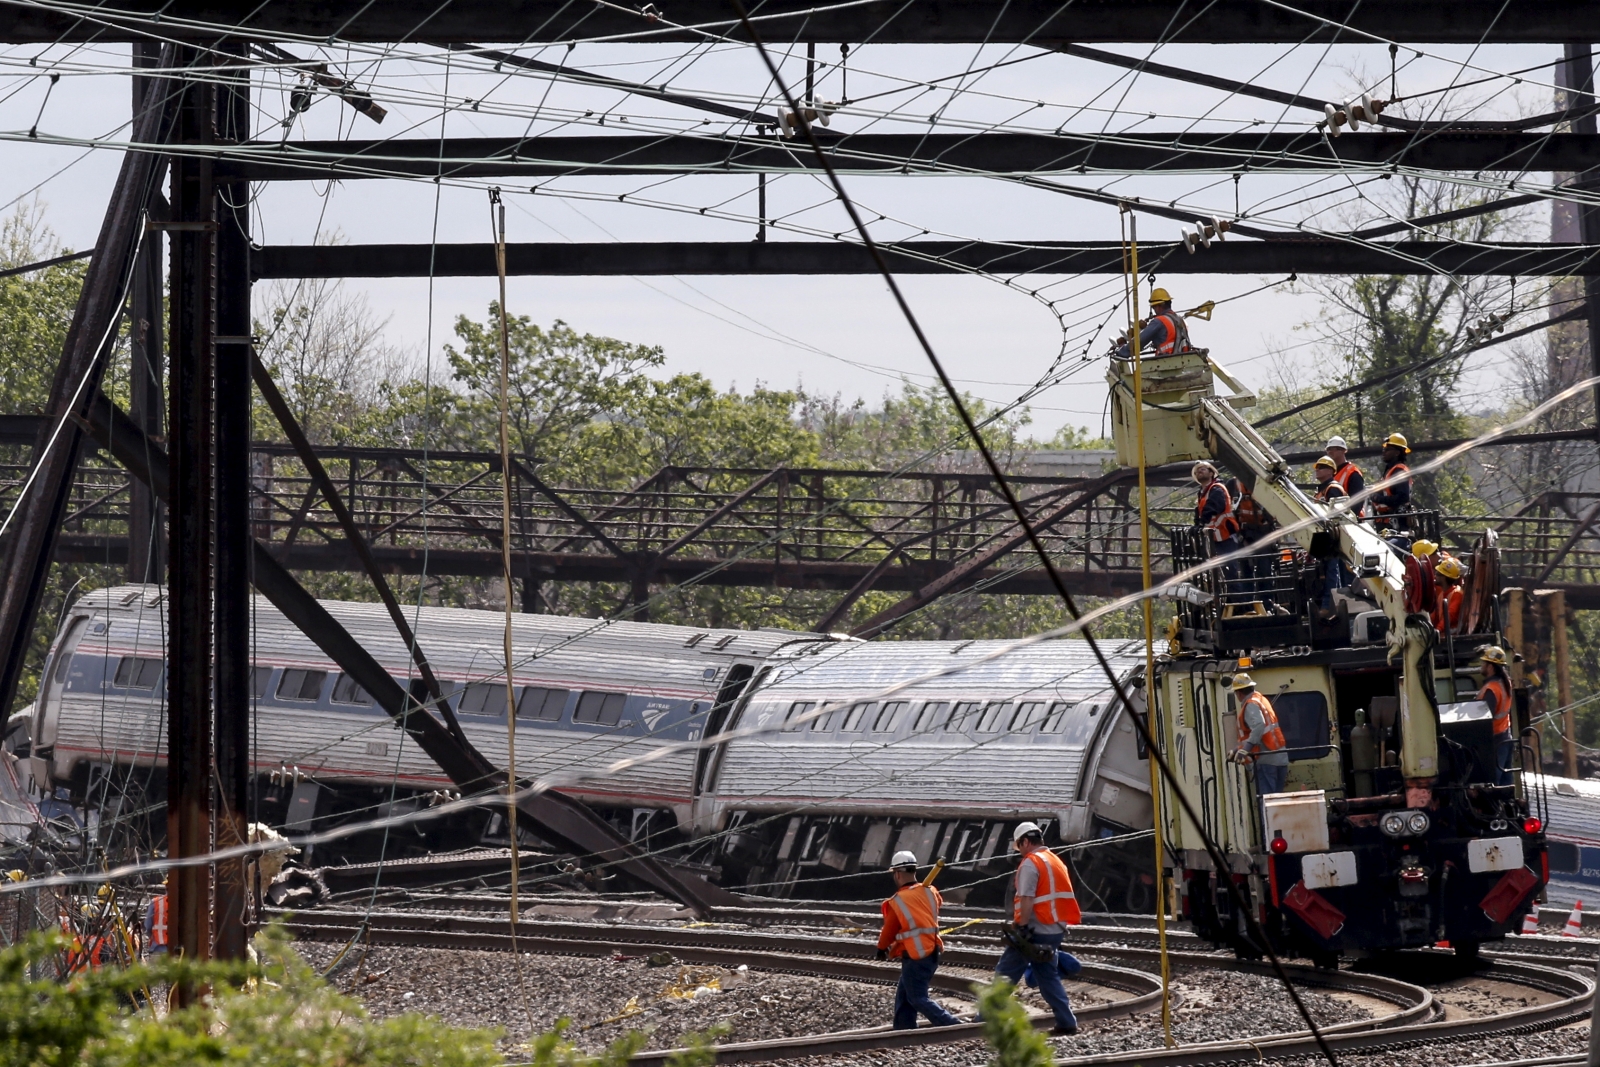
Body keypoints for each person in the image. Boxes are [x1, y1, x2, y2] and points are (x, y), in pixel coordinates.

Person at [993, 822, 1081, 1035]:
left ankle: (983, 1022)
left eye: (1020, 846)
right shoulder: (1055, 860)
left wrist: (1021, 927)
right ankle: (1067, 1022)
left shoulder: (1031, 863)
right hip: (1054, 929)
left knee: (1005, 974)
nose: (1020, 851)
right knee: (1047, 976)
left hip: (1033, 930)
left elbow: (1026, 898)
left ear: (1025, 841)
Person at [876, 850, 959, 1030]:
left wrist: (881, 948)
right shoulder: (930, 891)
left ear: (897, 874)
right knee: (904, 996)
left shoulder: (898, 900)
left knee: (917, 998)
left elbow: (889, 929)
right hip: (932, 950)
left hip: (916, 954)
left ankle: (954, 1026)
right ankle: (903, 1031)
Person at [1229, 673, 1289, 822]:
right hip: (1280, 758)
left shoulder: (1250, 705)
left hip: (1265, 761)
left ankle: (1270, 839)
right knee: (1276, 801)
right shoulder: (1261, 700)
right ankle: (1279, 833)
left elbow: (1259, 726)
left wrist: (1245, 749)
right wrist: (1237, 749)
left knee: (1267, 804)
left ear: (1239, 692)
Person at [1230, 478, 1275, 605]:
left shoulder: (1264, 482)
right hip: (1243, 533)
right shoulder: (1234, 484)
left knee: (1264, 570)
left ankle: (1266, 605)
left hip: (1263, 532)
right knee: (1245, 571)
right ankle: (1248, 606)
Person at [1114, 287, 1191, 358]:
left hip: (1165, 363)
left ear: (1159, 306)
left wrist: (1121, 352)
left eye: (1153, 307)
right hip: (1183, 361)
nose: (1154, 309)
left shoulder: (1159, 321)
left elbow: (1139, 342)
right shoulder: (1180, 320)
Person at [1312, 457, 1348, 609]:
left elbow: (1335, 516)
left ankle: (1329, 606)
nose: (1317, 470)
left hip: (1333, 538)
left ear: (1330, 471)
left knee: (1332, 572)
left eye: (1321, 467)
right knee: (1330, 572)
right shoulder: (1322, 490)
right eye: (1317, 467)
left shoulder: (1332, 489)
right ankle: (1334, 604)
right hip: (1326, 538)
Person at [1478, 646, 1515, 785]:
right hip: (1506, 736)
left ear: (1491, 667)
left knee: (1493, 782)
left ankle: (1495, 806)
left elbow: (1485, 718)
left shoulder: (1491, 689)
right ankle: (1507, 804)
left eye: (1484, 663)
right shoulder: (1505, 684)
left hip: (1495, 740)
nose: (1481, 666)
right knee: (1506, 781)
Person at [1193, 462, 1239, 572]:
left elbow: (1213, 506)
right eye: (1197, 471)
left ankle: (1237, 589)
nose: (1199, 471)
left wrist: (1201, 523)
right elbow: (1199, 512)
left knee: (1230, 570)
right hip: (1215, 537)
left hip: (1226, 536)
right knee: (1220, 571)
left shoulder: (1217, 489)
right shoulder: (1202, 493)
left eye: (1203, 469)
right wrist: (1197, 524)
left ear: (1211, 473)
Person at [1369, 433, 1413, 530]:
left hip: (1397, 523)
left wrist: (1379, 498)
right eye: (1383, 449)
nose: (1384, 452)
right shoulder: (1390, 470)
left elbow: (1402, 497)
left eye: (1387, 449)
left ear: (1397, 453)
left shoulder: (1399, 470)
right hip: (1386, 521)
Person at [1325, 436, 1365, 517]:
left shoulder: (1352, 473)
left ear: (1344, 450)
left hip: (1350, 522)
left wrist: (1348, 517)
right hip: (1334, 520)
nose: (1330, 452)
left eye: (1335, 449)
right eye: (1329, 449)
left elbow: (1358, 500)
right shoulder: (1329, 473)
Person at [1432, 555, 1465, 635]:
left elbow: (1449, 616)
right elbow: (1435, 615)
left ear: (1444, 577)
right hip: (1445, 637)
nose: (1435, 576)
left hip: (1455, 639)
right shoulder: (1442, 594)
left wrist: (1438, 630)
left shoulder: (1457, 594)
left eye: (1438, 574)